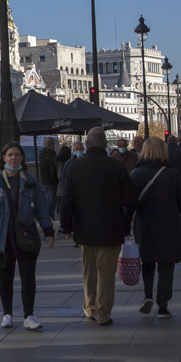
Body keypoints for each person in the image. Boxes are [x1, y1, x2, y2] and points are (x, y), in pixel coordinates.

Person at [60, 128, 137, 326]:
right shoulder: (116, 167)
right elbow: (130, 199)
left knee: (89, 269)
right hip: (111, 227)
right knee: (106, 271)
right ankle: (103, 312)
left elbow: (67, 200)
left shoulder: (75, 168)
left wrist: (66, 225)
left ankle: (90, 306)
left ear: (86, 144)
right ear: (105, 145)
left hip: (85, 227)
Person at [0, 142, 55, 331]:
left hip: (26, 236)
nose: (13, 158)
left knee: (28, 277)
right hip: (2, 238)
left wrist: (48, 232)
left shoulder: (31, 182)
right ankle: (7, 314)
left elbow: (42, 208)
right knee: (5, 277)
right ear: (3, 158)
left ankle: (29, 315)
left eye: (17, 155)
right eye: (10, 155)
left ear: (22, 158)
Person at [131, 137, 181, 319]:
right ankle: (163, 305)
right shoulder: (172, 174)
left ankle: (147, 296)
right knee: (166, 264)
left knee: (147, 262)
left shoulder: (135, 174)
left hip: (144, 224)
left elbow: (129, 202)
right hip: (168, 224)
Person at [37, 137, 58, 218]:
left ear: (45, 144)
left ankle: (46, 222)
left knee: (45, 204)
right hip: (51, 182)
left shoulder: (41, 154)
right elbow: (52, 170)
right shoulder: (51, 155)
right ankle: (50, 223)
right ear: (53, 144)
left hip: (43, 181)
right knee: (51, 205)